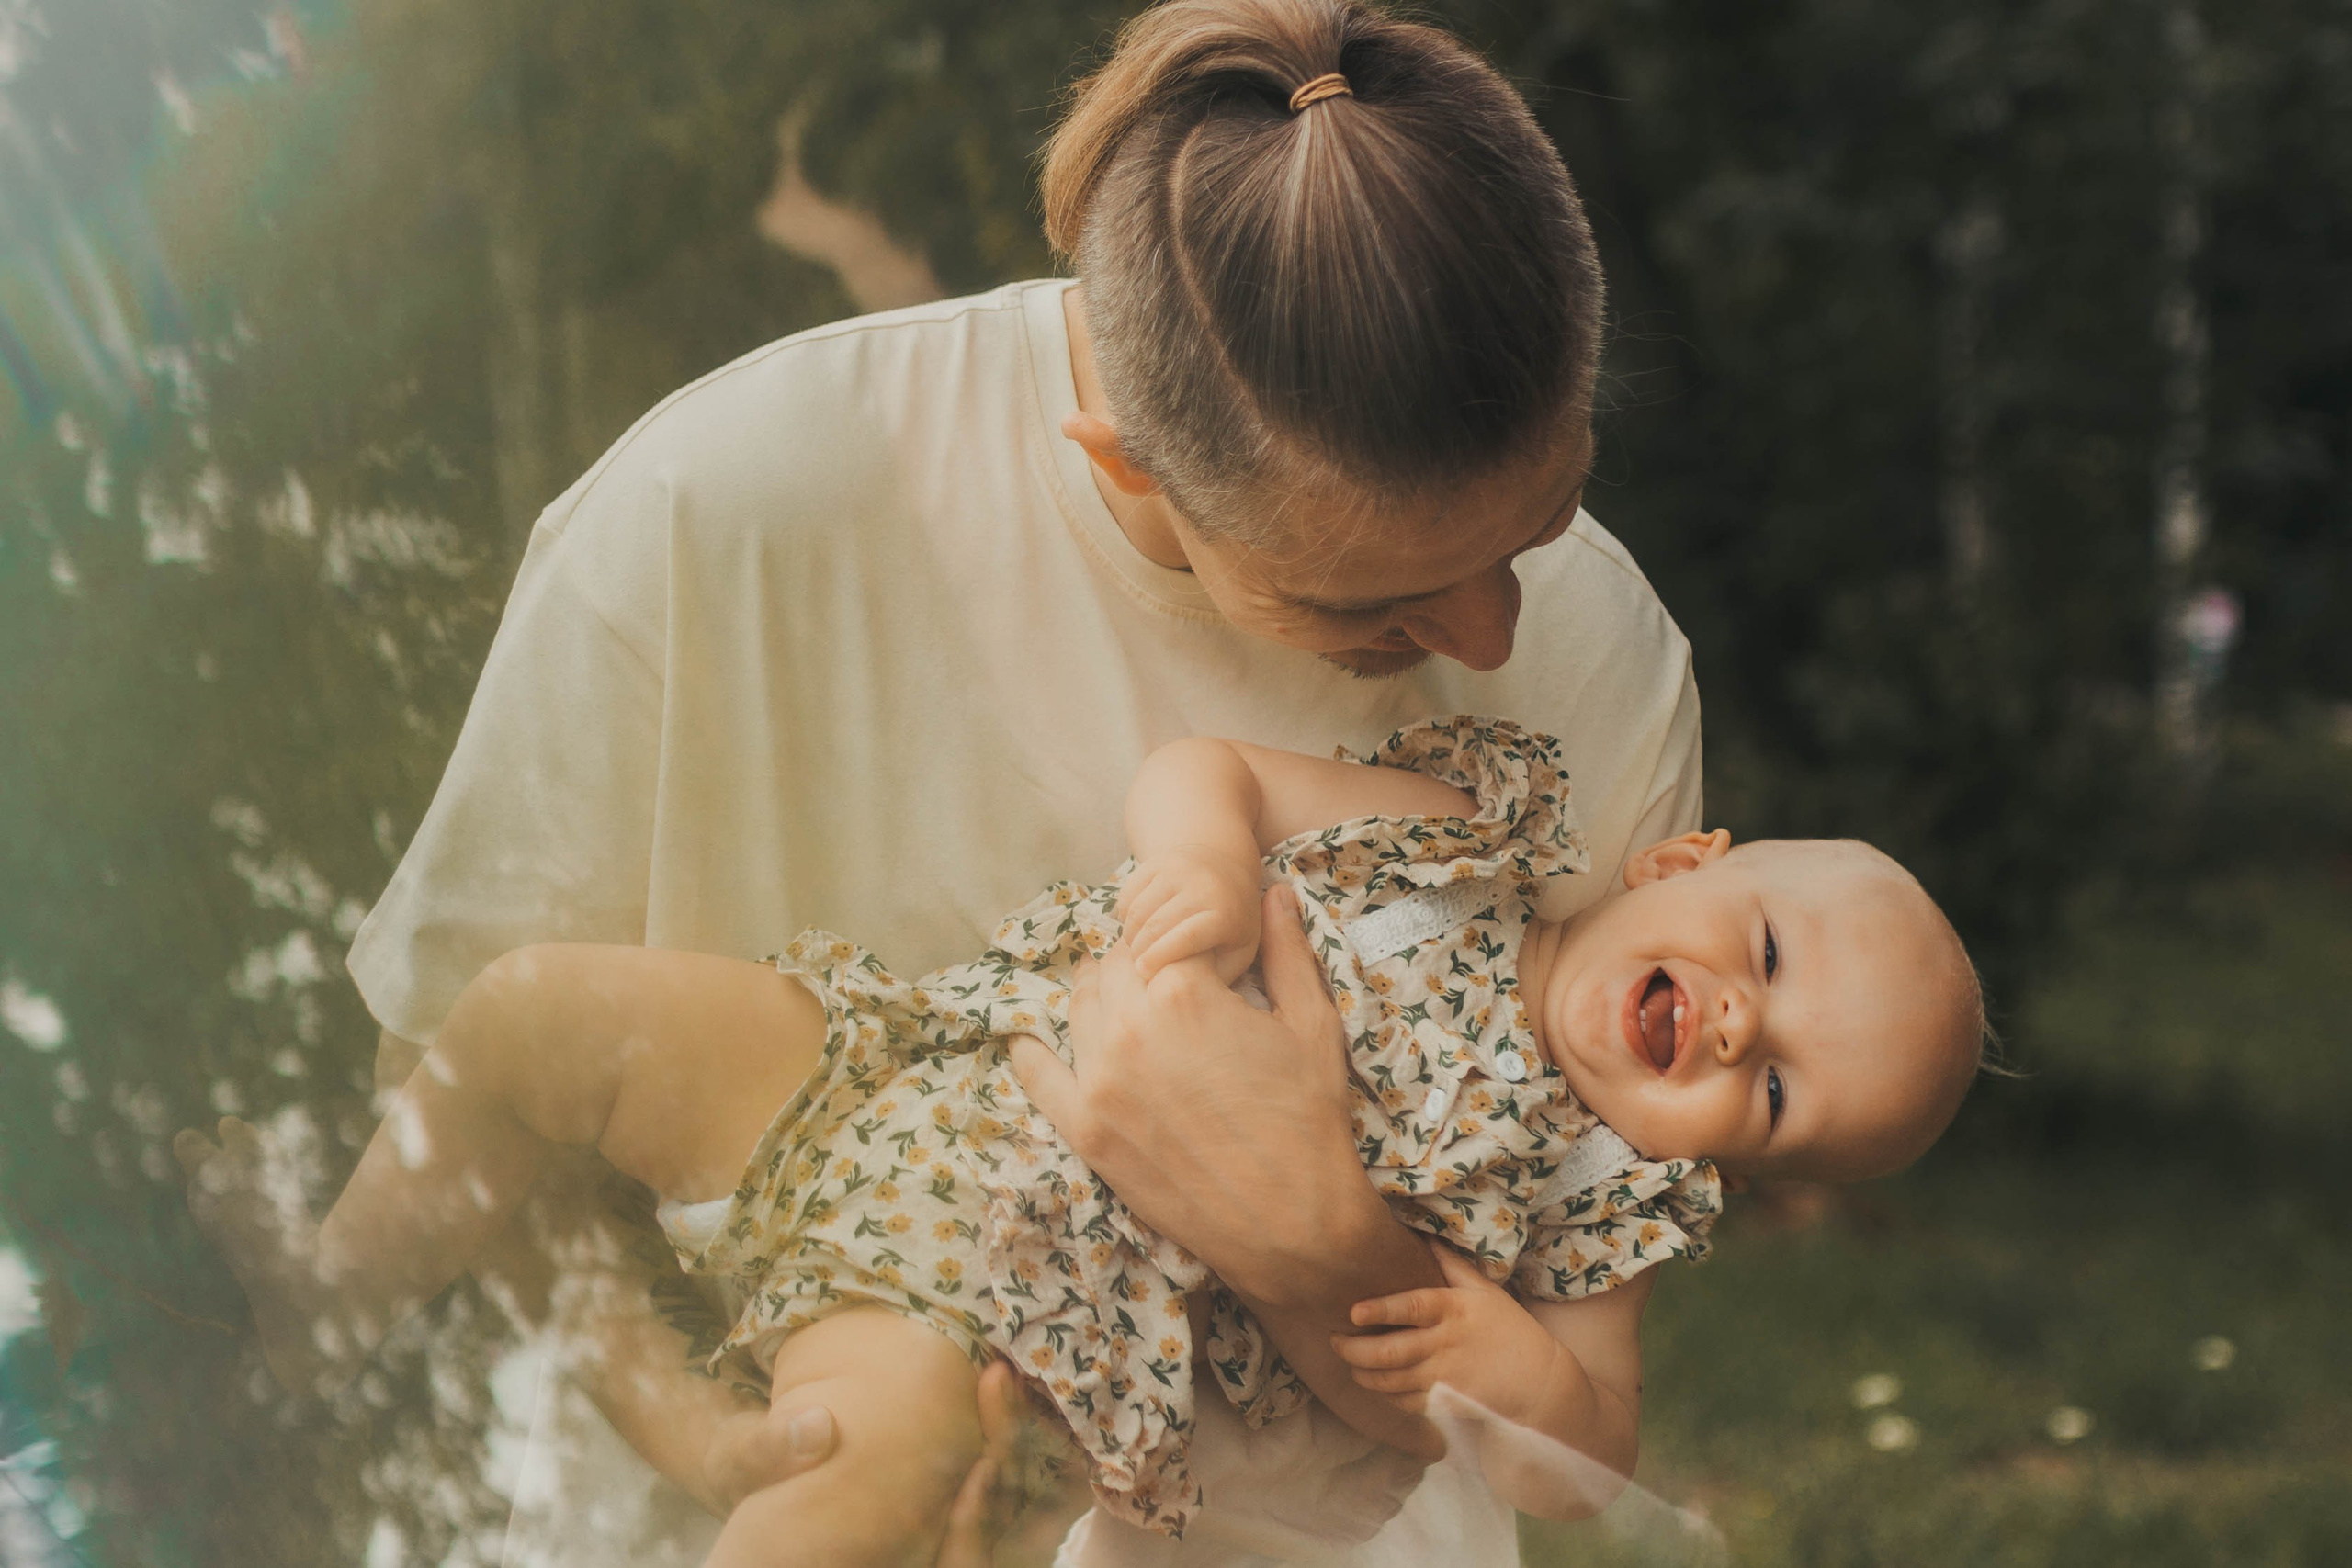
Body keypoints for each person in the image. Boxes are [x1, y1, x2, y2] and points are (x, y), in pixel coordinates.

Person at [330, 0, 1714, 1562]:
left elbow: (1582, 1430)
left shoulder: (1605, 652)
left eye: (1544, 520)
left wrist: (1319, 1238)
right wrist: (689, 1424)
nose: (1498, 627)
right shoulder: (715, 511)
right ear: (1120, 458)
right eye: (1362, 604)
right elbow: (451, 1108)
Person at [177, 716, 1984, 1563]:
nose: (1743, 1025)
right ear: (1685, 867)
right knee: (532, 1013)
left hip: (988, 1291)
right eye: (1761, 956)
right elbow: (1212, 762)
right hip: (897, 1050)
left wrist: (1505, 1364)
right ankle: (321, 1282)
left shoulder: (1593, 1206)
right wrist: (1199, 859)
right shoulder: (1450, 835)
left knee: (842, 1488)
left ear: (1729, 1168)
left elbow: (1579, 1453)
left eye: (1773, 1090)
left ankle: (662, 1427)